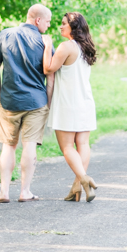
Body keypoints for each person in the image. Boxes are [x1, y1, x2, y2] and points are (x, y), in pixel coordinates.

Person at [0, 4, 54, 203]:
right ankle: (25, 191)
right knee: (29, 145)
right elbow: (50, 76)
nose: (49, 25)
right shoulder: (44, 42)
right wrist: (48, 103)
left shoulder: (5, 34)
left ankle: (4, 192)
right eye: (48, 21)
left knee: (8, 146)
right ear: (38, 20)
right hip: (36, 102)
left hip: (9, 101)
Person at [42, 12, 98, 202]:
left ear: (73, 28)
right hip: (86, 102)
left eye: (64, 24)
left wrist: (48, 45)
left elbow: (48, 68)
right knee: (82, 144)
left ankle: (83, 179)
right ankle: (77, 186)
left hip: (68, 103)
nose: (60, 26)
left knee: (66, 146)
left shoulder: (66, 47)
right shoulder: (85, 47)